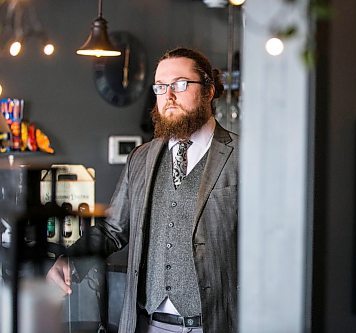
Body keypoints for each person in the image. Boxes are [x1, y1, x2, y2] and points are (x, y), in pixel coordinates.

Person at [47, 47, 239, 333]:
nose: (169, 96)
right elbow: (113, 229)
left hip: (215, 324)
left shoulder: (243, 156)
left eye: (181, 84)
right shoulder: (141, 158)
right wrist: (71, 258)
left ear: (209, 91)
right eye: (161, 87)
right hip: (146, 325)